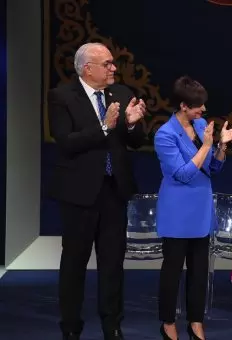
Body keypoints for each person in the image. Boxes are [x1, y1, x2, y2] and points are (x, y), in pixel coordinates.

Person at [48, 42, 147, 340]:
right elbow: (66, 141)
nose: (113, 68)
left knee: (113, 263)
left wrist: (131, 125)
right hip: (79, 194)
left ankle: (112, 326)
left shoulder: (122, 94)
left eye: (113, 63)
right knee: (74, 263)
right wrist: (104, 128)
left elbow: (137, 141)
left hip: (113, 191)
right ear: (87, 68)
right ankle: (70, 328)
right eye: (107, 64)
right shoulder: (62, 96)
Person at [154, 76, 232, 340]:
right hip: (178, 210)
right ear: (183, 105)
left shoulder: (201, 125)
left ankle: (195, 322)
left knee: (199, 271)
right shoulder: (165, 135)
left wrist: (222, 145)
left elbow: (213, 168)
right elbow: (182, 174)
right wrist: (208, 146)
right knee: (173, 270)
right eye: (198, 106)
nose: (203, 110)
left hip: (201, 208)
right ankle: (168, 322)